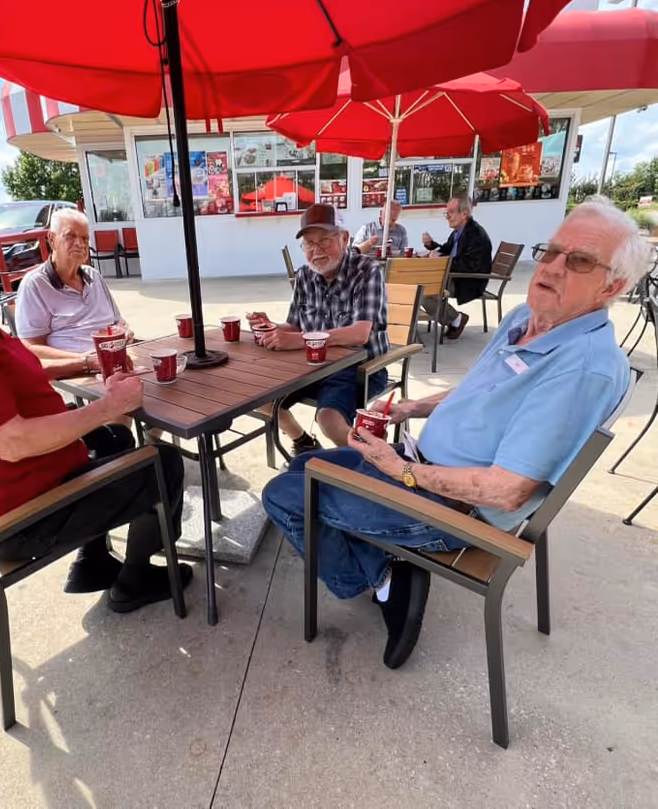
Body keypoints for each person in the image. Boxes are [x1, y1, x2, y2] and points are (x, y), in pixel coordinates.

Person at [263, 197, 650, 669]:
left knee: (285, 495)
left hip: (454, 510)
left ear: (615, 284)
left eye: (580, 260)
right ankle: (386, 566)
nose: (551, 267)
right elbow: (473, 391)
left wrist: (401, 469)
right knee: (304, 465)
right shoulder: (523, 321)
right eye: (550, 251)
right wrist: (414, 406)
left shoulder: (583, 368)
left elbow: (507, 492)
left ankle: (382, 580)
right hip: (422, 468)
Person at [0, 180, 192, 613]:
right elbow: (14, 442)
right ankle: (134, 581)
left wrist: (97, 408)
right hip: (17, 516)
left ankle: (94, 562)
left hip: (25, 480)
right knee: (164, 463)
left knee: (115, 441)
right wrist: (110, 405)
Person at [247, 203, 389, 455]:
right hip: (312, 366)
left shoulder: (367, 271)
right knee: (262, 399)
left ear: (344, 238)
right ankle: (304, 442)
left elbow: (360, 333)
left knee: (328, 419)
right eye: (309, 244)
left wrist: (299, 340)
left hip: (359, 368)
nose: (317, 250)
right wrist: (270, 327)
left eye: (325, 240)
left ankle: (374, 465)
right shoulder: (304, 276)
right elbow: (294, 325)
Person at [15, 208, 132, 379]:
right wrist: (87, 360)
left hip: (116, 363)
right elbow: (30, 348)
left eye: (85, 238)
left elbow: (118, 322)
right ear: (52, 239)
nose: (80, 243)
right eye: (70, 236)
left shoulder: (93, 275)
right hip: (78, 373)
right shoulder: (36, 284)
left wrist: (124, 331)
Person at [421, 195, 492, 340]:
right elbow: (446, 250)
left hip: (468, 281)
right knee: (420, 282)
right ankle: (453, 318)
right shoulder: (459, 231)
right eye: (446, 212)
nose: (447, 216)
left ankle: (457, 319)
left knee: (424, 291)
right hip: (455, 276)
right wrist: (431, 246)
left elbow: (468, 265)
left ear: (464, 214)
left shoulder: (475, 234)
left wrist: (440, 260)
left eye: (451, 212)